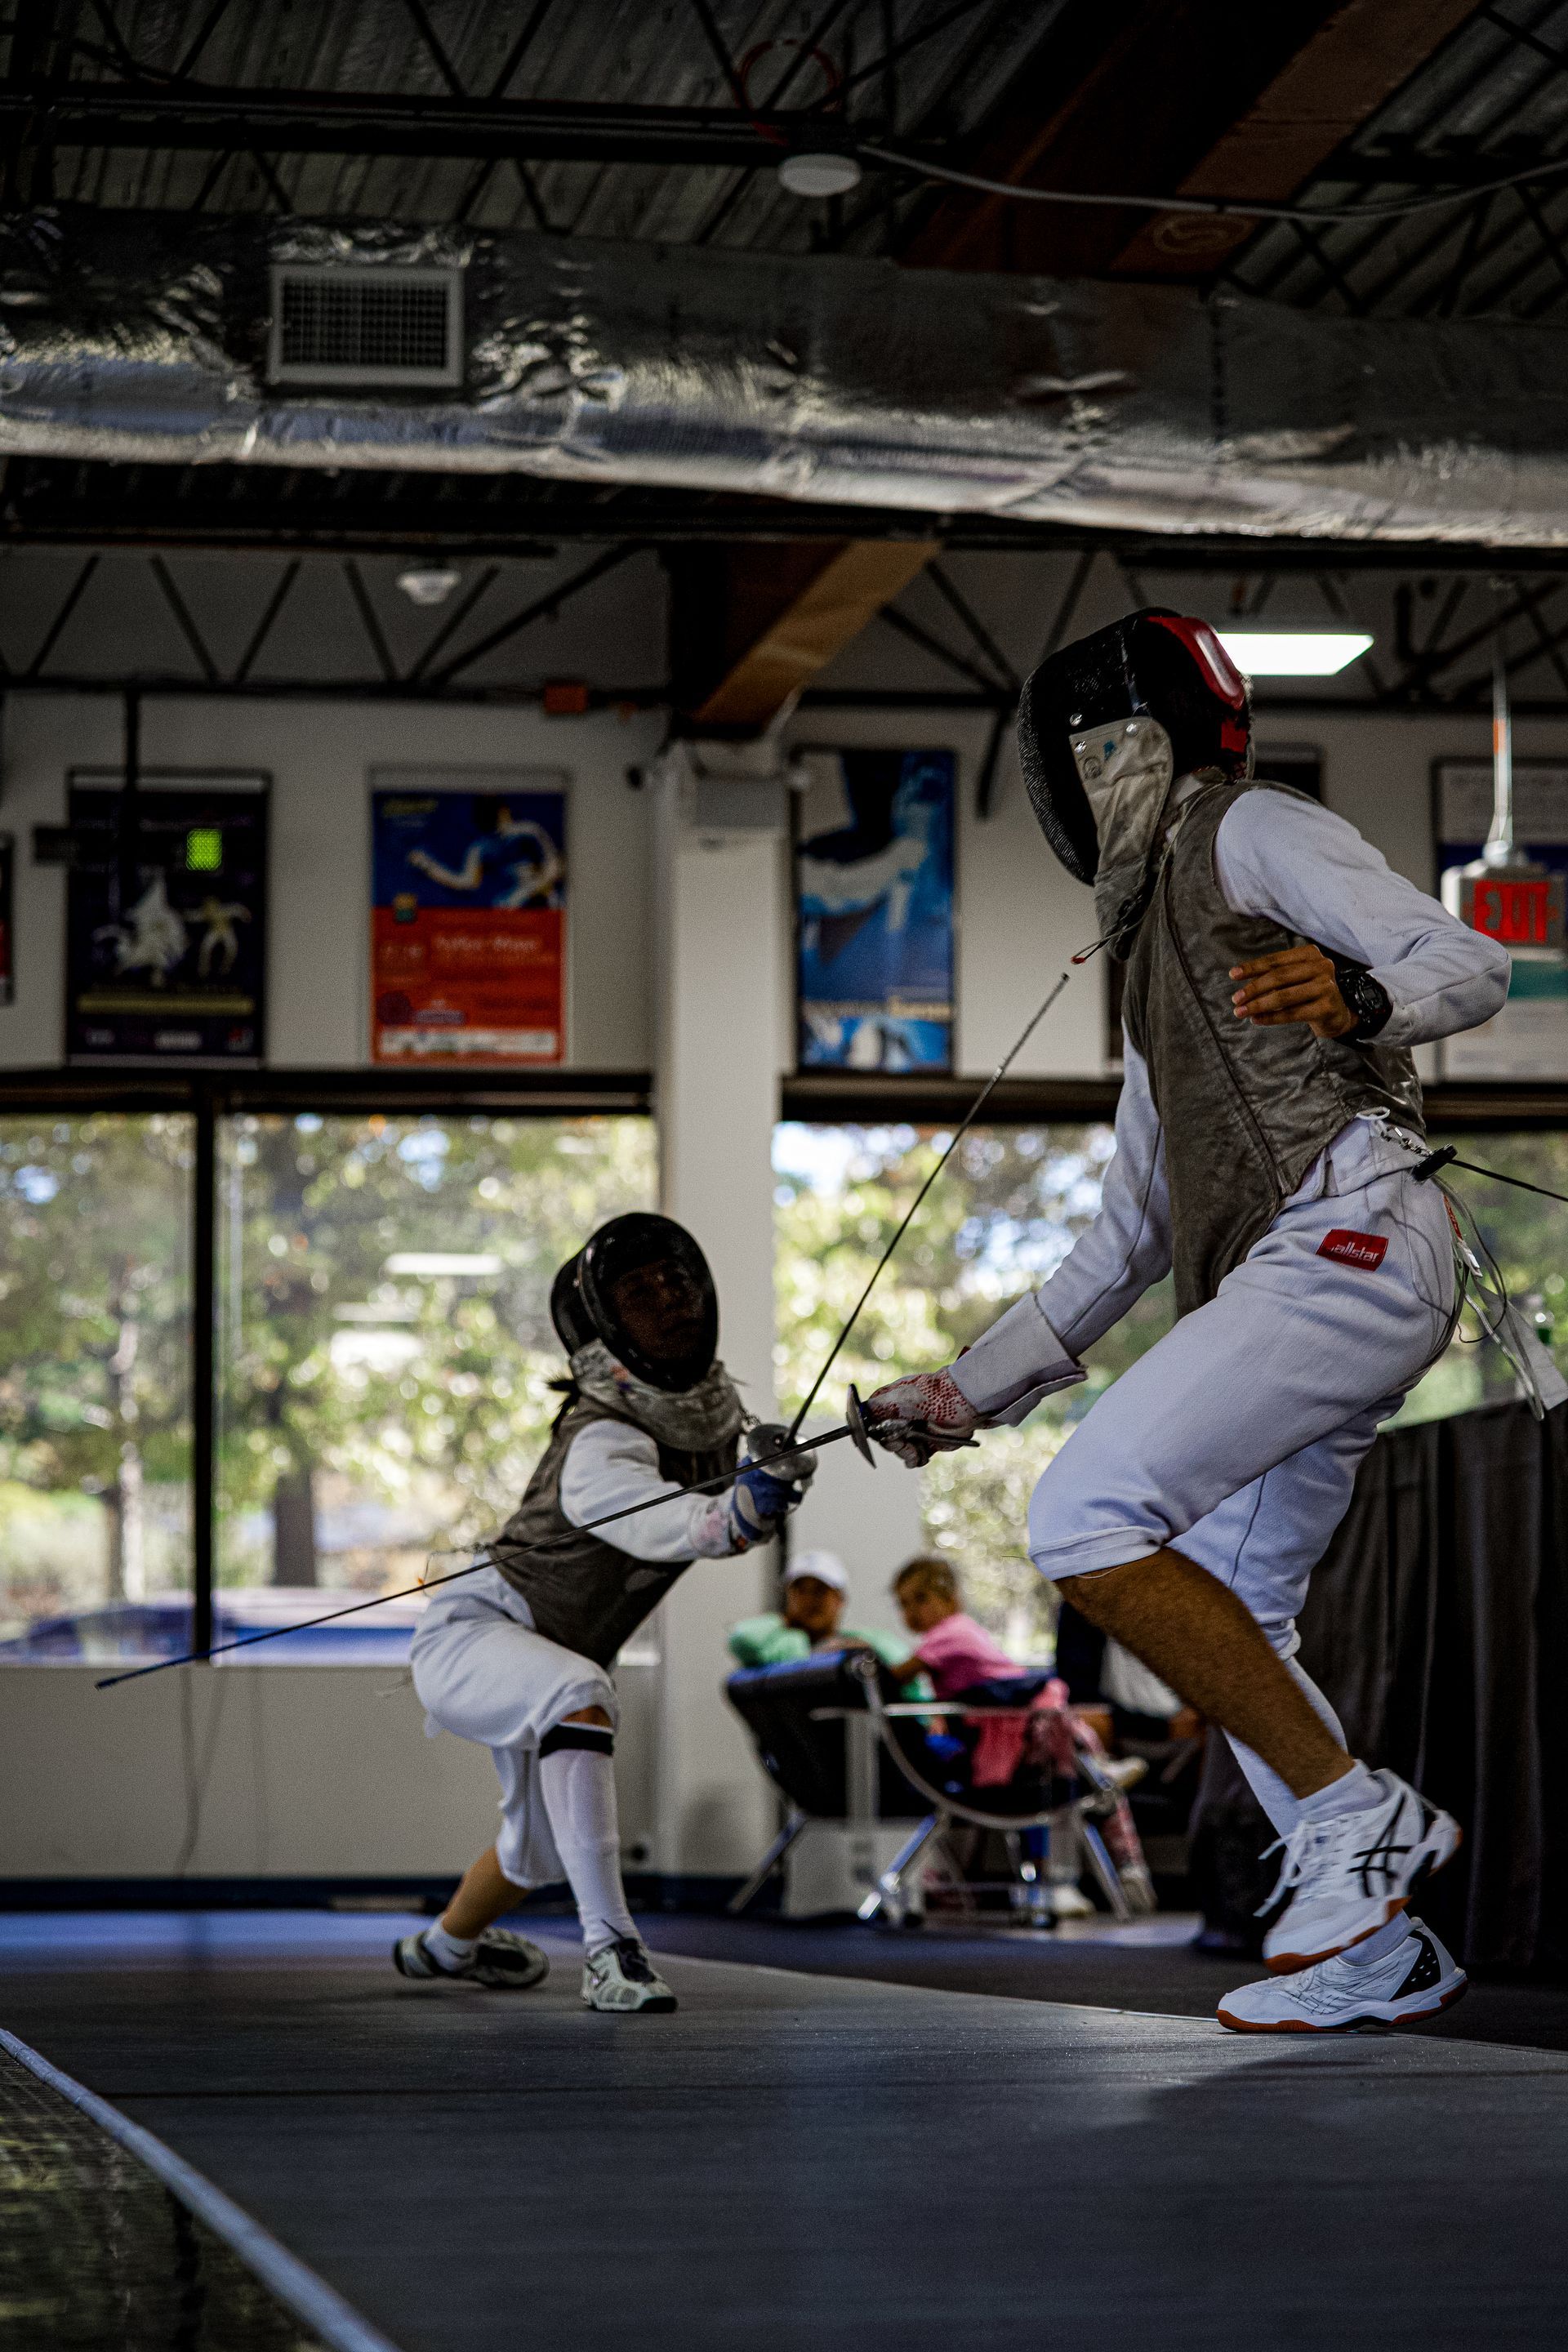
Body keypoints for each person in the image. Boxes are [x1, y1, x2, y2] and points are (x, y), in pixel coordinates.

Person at [860, 607, 1521, 2033]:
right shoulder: (1163, 977)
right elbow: (1123, 1246)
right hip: (1306, 1283)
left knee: (1086, 1519)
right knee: (1237, 1607)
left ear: (1113, 749)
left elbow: (1471, 965)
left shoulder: (1247, 828)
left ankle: (1362, 1822)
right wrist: (963, 1395)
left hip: (1350, 1239)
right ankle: (1379, 1950)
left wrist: (1360, 993)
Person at [395, 1213, 814, 2013]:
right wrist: (739, 1512)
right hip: (477, 1635)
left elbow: (705, 1512)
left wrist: (755, 1494)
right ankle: (610, 1952)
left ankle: (443, 1949)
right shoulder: (600, 1440)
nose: (669, 1300)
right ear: (608, 1326)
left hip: (540, 1648)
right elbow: (650, 1518)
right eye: (639, 1292)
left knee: (534, 1851)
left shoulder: (708, 1421)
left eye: (674, 1281)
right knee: (579, 1694)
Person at [886, 1552, 1152, 1913]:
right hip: (1011, 1724)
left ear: (950, 1599)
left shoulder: (950, 1632)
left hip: (1017, 1721)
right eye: (903, 1604)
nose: (910, 1613)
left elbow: (896, 1676)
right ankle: (1107, 1803)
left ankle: (1097, 1770)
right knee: (1068, 1756)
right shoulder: (957, 1633)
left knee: (1059, 1742)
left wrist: (867, 1659)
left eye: (920, 1599)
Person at [728, 1548, 908, 1669]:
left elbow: (907, 1671)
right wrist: (787, 1619)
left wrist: (866, 1652)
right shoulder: (781, 1647)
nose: (809, 1600)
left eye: (820, 1591)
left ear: (840, 1599)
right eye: (800, 1591)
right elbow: (742, 1638)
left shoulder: (870, 1640)